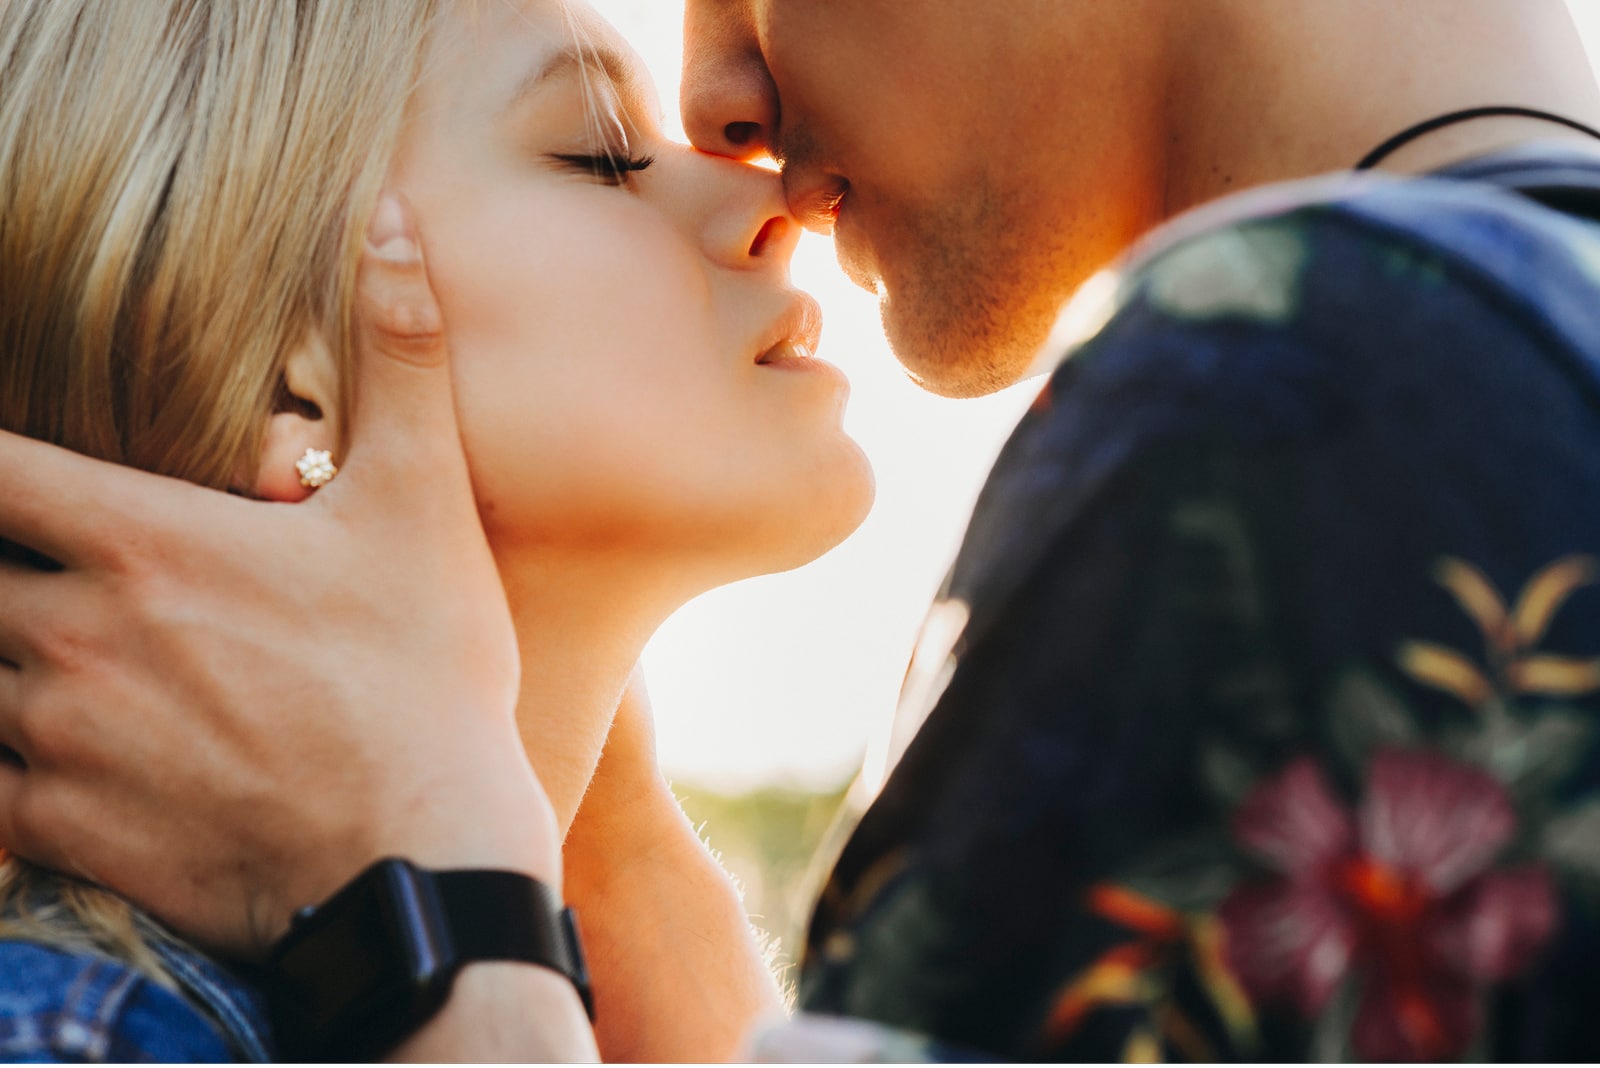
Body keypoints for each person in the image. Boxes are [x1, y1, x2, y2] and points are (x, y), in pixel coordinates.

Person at [7, 0, 1600, 1061]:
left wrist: (439, 923)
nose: (722, 110)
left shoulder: (1318, 382)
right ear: (274, 359)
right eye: (599, 154)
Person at [0, 0, 873, 1061]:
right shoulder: (74, 1037)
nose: (765, 194)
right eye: (599, 155)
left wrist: (591, 841)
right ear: (290, 391)